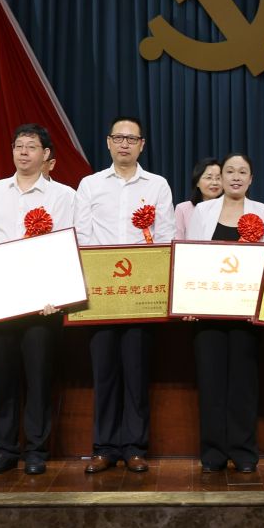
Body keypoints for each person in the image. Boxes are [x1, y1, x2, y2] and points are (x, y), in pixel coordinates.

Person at [0, 123, 80, 476]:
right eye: (18, 145)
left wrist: (59, 293)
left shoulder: (64, 196)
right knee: (2, 378)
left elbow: (69, 247)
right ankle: (4, 449)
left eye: (31, 146)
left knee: (38, 377)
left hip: (43, 303)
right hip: (1, 300)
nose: (23, 152)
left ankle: (36, 450)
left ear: (46, 154)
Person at [76, 115, 178, 474]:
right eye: (118, 138)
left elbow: (165, 237)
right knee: (104, 373)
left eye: (131, 139)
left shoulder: (158, 185)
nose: (124, 144)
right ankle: (104, 447)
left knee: (136, 372)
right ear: (108, 142)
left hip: (140, 291)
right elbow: (82, 236)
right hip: (101, 293)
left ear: (141, 145)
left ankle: (135, 446)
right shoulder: (89, 185)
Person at [186, 152, 264, 473]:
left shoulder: (262, 211)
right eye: (230, 171)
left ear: (251, 179)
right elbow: (191, 256)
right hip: (207, 312)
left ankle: (244, 452)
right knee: (210, 383)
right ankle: (213, 453)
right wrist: (188, 301)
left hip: (246, 314)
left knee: (243, 384)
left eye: (242, 172)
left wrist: (260, 306)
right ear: (220, 178)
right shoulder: (203, 211)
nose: (236, 177)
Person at [172, 158, 222, 236]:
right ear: (197, 182)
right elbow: (178, 240)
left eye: (218, 178)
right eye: (209, 178)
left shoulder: (229, 209)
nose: (215, 182)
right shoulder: (183, 209)